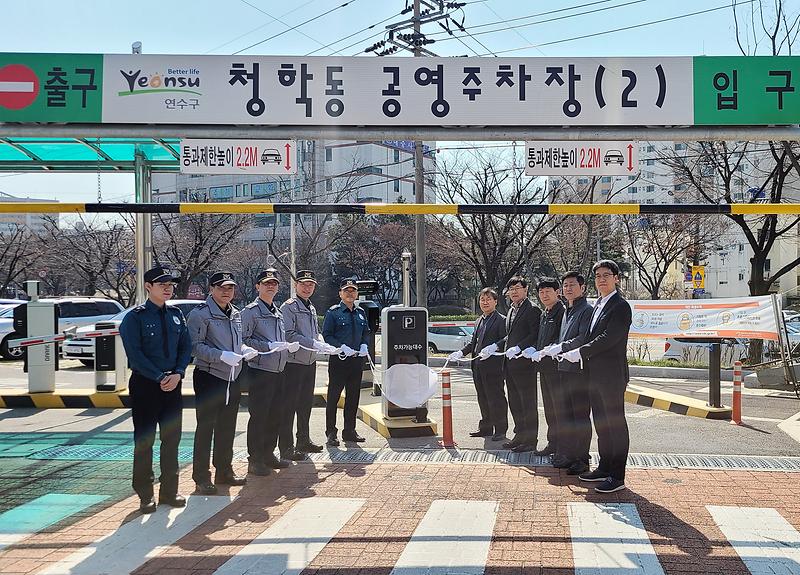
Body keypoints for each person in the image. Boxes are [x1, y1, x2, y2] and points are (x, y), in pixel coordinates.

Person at [119, 266, 192, 514]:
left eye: (170, 284)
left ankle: (170, 491)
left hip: (173, 384)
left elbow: (185, 347)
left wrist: (179, 373)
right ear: (148, 286)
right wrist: (160, 376)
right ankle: (145, 493)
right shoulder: (135, 317)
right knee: (145, 440)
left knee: (172, 440)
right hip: (146, 385)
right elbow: (135, 355)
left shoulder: (177, 314)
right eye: (162, 284)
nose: (168, 288)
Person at [556, 260, 632, 494]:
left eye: (606, 275)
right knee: (602, 424)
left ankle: (617, 476)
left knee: (615, 425)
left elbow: (609, 338)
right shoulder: (598, 304)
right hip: (593, 375)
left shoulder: (620, 306)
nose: (601, 279)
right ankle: (604, 467)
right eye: (598, 275)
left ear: (616, 278)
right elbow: (590, 336)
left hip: (611, 376)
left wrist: (579, 352)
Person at [187, 272, 252, 495]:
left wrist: (243, 350)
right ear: (211, 289)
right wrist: (221, 355)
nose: (227, 292)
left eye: (230, 288)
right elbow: (194, 346)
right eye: (222, 287)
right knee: (206, 428)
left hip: (232, 376)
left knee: (227, 427)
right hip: (210, 376)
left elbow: (238, 341)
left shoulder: (235, 313)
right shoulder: (201, 314)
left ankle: (224, 470)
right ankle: (201, 477)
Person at [241, 268, 302, 475]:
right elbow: (244, 340)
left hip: (279, 369)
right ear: (257, 286)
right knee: (259, 416)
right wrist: (268, 346)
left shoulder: (277, 311)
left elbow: (281, 339)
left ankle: (268, 454)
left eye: (274, 283)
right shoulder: (250, 312)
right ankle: (255, 459)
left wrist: (286, 345)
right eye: (266, 283)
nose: (270, 286)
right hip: (260, 370)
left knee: (276, 415)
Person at [448, 287, 508, 441]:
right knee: (482, 397)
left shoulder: (501, 320)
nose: (485, 302)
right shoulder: (479, 320)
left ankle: (501, 430)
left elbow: (506, 339)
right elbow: (473, 343)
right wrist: (461, 352)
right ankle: (486, 427)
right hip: (478, 366)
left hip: (494, 367)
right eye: (482, 299)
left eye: (488, 299)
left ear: (495, 301)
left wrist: (495, 346)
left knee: (496, 398)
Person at [281, 270, 328, 454]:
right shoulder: (289, 307)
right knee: (289, 405)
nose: (307, 288)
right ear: (295, 285)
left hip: (309, 362)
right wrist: (313, 343)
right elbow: (289, 334)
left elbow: (313, 333)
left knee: (305, 404)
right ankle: (286, 446)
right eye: (303, 284)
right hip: (293, 363)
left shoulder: (311, 306)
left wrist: (320, 342)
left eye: (311, 285)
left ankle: (303, 440)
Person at [322, 278, 371, 446]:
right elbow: (327, 335)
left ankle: (349, 431)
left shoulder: (360, 312)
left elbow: (366, 332)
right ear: (340, 293)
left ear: (357, 293)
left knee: (353, 397)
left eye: (353, 290)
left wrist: (365, 344)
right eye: (346, 290)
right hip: (339, 361)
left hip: (356, 361)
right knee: (333, 398)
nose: (350, 293)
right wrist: (341, 346)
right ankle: (331, 432)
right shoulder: (333, 312)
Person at [553, 271, 593, 475]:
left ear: (583, 288)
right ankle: (569, 455)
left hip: (579, 371)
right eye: (565, 285)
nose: (568, 288)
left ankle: (582, 458)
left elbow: (583, 338)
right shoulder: (568, 310)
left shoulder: (586, 310)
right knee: (567, 415)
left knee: (580, 416)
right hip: (564, 369)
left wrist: (561, 348)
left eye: (572, 285)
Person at [500, 277, 541, 452]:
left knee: (528, 402)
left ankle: (530, 439)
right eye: (511, 288)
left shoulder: (532, 309)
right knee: (515, 401)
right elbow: (510, 335)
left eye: (518, 288)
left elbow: (535, 334)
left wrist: (520, 347)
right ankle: (519, 434)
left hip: (525, 364)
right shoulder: (511, 310)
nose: (514, 291)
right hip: (510, 363)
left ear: (526, 290)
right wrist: (498, 344)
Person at [533, 277, 565, 457]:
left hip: (557, 368)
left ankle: (562, 445)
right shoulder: (544, 313)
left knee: (559, 408)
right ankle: (553, 442)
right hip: (544, 368)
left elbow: (561, 339)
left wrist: (547, 350)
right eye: (541, 292)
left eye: (548, 291)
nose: (544, 295)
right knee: (549, 408)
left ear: (557, 292)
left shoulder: (562, 311)